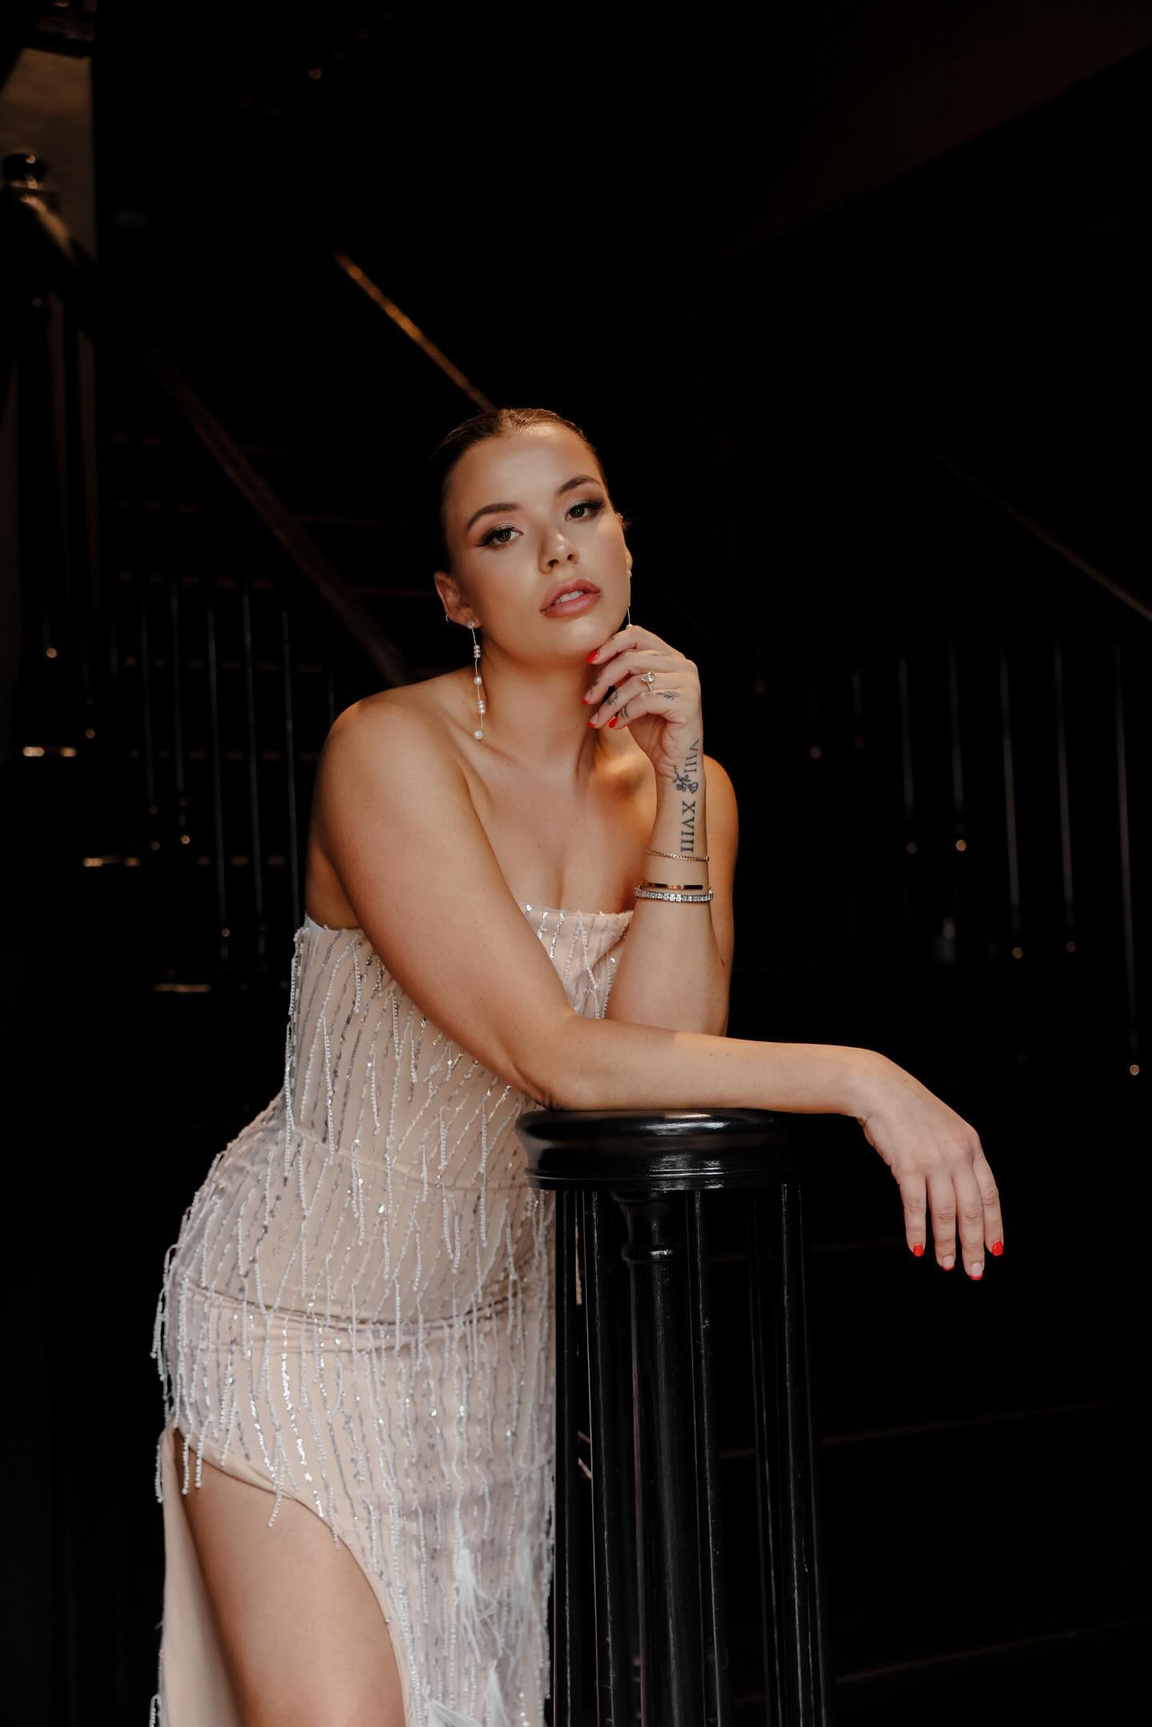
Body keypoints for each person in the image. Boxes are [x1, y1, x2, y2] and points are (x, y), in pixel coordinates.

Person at [149, 406, 1004, 1727]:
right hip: (300, 1320)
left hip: (495, 1344)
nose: (558, 546)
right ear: (454, 594)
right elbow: (558, 1059)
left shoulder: (694, 788)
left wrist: (671, 785)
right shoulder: (388, 748)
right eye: (503, 532)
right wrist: (865, 1075)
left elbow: (664, 1058)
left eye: (583, 506)